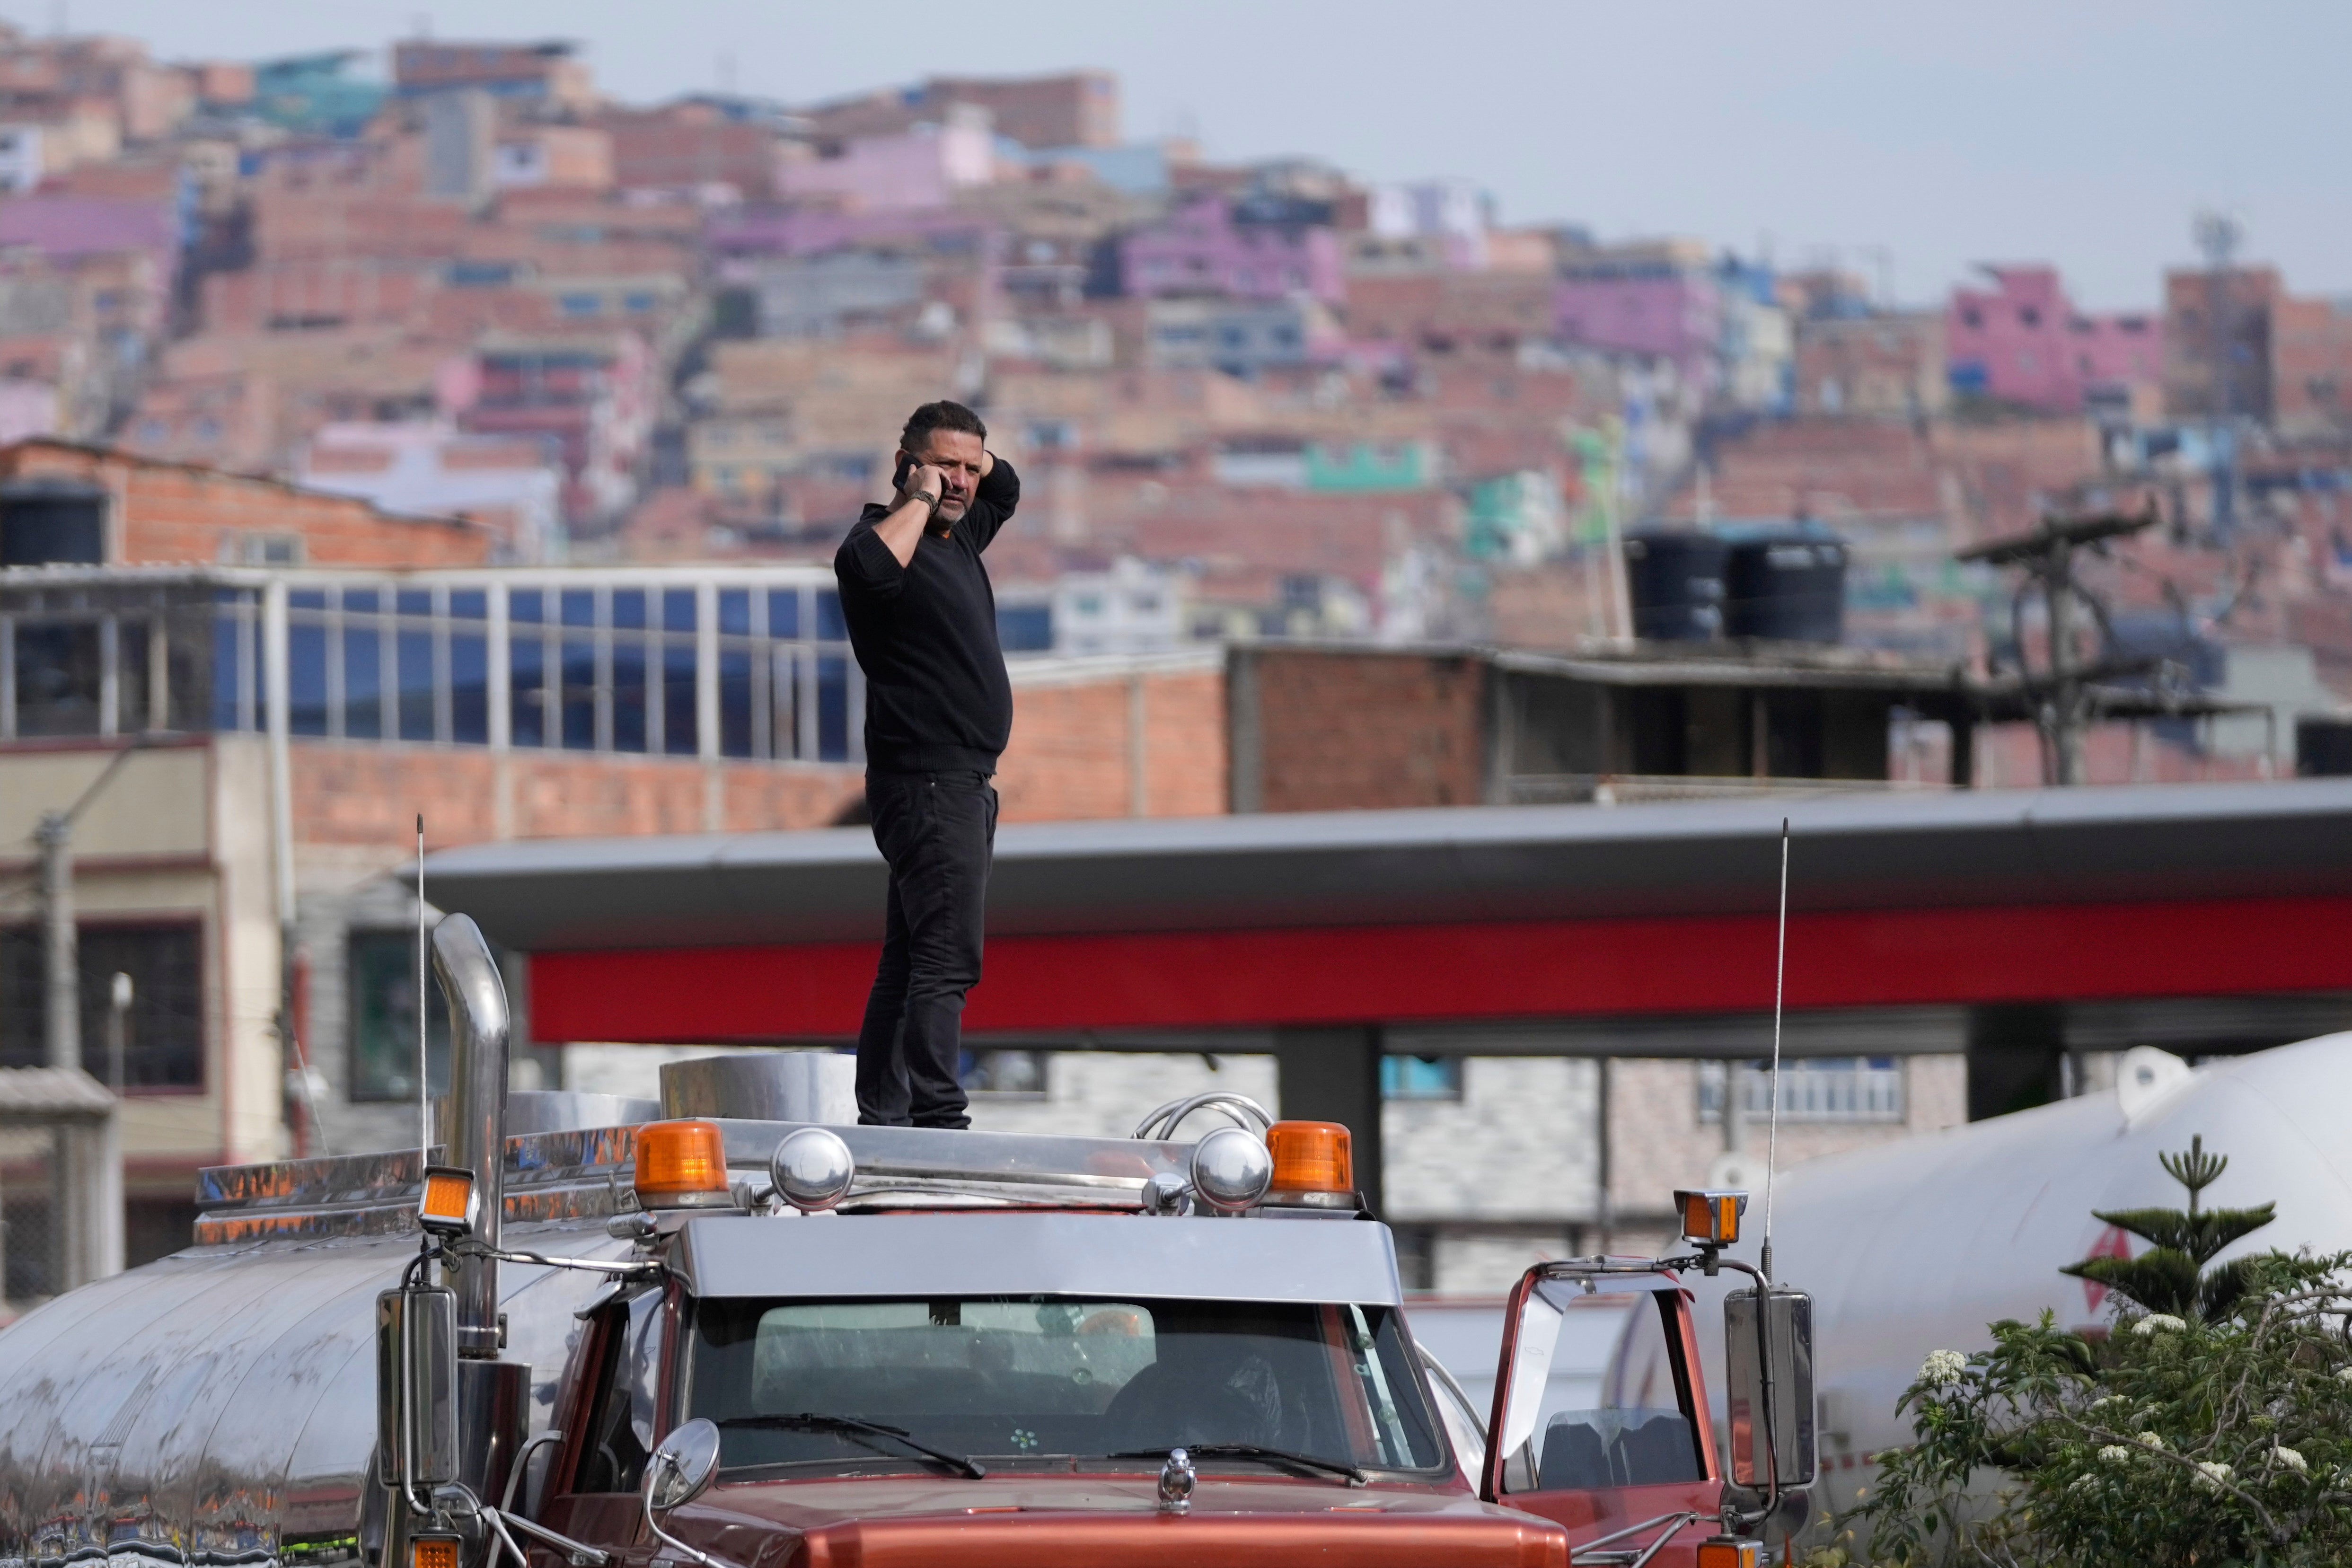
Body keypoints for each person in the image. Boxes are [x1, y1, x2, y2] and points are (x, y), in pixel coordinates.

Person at [833, 400, 1018, 1128]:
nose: (961, 481)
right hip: (928, 784)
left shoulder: (959, 537)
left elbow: (1007, 489)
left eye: (970, 467)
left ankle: (885, 1113)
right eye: (946, 465)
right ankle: (939, 1119)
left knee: (911, 959)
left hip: (961, 784)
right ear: (906, 464)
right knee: (946, 958)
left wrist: (971, 468)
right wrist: (921, 493)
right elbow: (869, 569)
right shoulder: (878, 543)